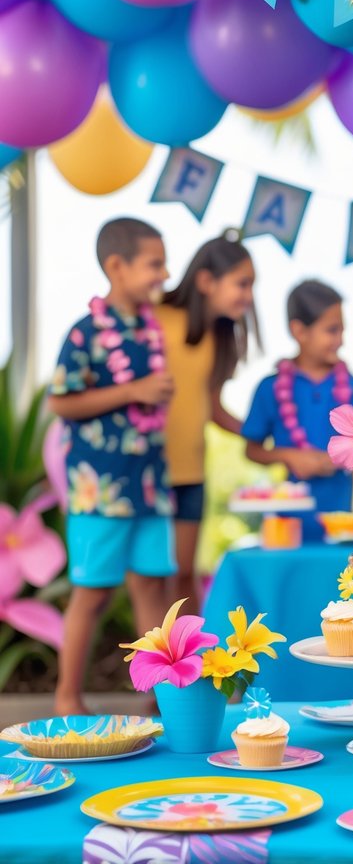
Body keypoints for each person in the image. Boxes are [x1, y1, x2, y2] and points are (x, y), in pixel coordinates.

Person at [48, 218, 176, 715]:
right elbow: (62, 402)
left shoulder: (150, 331)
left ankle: (160, 696)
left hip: (149, 483)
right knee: (93, 591)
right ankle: (66, 698)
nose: (163, 275)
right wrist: (132, 391)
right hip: (98, 487)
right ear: (117, 267)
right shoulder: (85, 334)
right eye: (154, 264)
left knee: (151, 584)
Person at [156, 234, 258, 609]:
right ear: (205, 281)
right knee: (152, 577)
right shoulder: (156, 317)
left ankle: (191, 665)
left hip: (190, 473)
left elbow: (212, 408)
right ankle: (153, 663)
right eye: (242, 283)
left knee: (184, 573)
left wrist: (262, 437)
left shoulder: (219, 338)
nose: (248, 296)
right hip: (147, 469)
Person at [242, 279, 353, 539]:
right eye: (332, 330)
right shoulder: (271, 388)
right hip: (286, 529)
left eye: (342, 330)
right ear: (299, 331)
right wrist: (289, 456)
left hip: (340, 527)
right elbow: (251, 450)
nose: (340, 340)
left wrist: (340, 459)